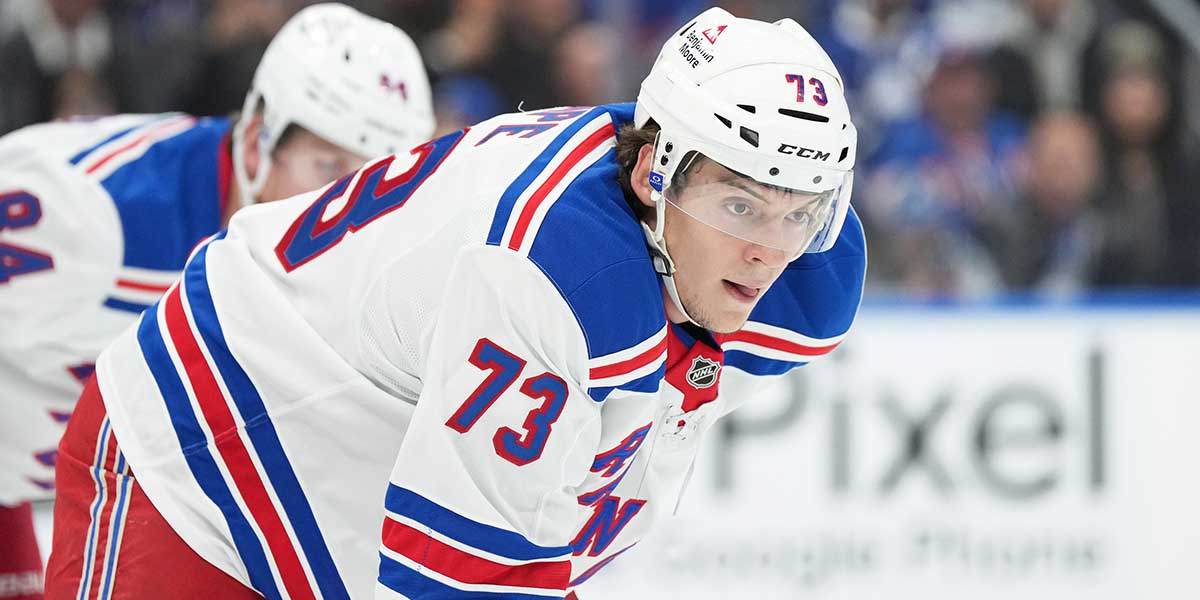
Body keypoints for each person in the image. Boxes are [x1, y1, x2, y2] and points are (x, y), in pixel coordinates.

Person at [47, 7, 865, 598]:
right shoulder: (554, 272)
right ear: (655, 169)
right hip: (206, 448)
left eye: (802, 210)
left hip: (365, 475)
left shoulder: (806, 277)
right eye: (741, 204)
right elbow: (460, 578)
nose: (770, 248)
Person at [0, 4, 434, 597]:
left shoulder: (360, 275)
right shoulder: (90, 215)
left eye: (380, 183)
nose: (350, 206)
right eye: (329, 166)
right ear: (256, 141)